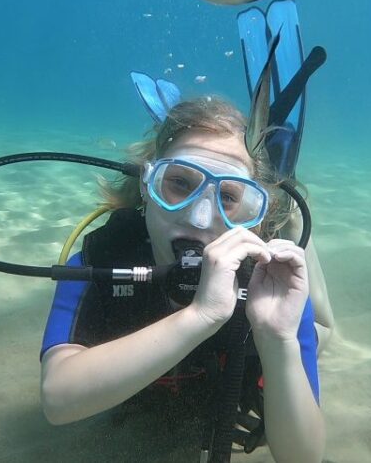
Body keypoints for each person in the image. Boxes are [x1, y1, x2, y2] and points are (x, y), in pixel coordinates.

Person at [39, 97, 325, 462]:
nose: (200, 218)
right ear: (147, 186)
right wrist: (200, 316)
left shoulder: (270, 288)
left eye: (228, 196)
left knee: (321, 331)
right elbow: (57, 401)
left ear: (251, 214)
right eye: (179, 183)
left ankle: (293, 222)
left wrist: (278, 338)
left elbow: (304, 458)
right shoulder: (100, 263)